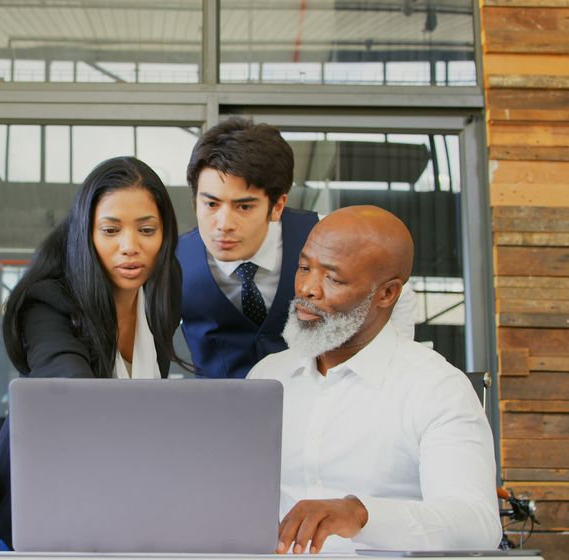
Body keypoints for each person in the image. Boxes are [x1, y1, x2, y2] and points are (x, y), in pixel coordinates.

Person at [248, 205, 501, 554]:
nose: (307, 288)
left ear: (387, 293)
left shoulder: (437, 388)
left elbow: (477, 524)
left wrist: (362, 514)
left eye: (332, 279)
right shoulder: (267, 377)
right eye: (304, 267)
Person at [0, 156, 186, 548]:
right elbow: (72, 399)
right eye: (111, 230)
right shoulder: (46, 300)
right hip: (44, 493)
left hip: (125, 494)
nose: (130, 247)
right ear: (86, 233)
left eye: (147, 229)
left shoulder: (163, 285)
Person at [177, 117, 414, 379]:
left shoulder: (322, 236)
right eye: (211, 204)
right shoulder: (170, 260)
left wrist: (389, 371)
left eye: (244, 207)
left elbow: (399, 294)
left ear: (277, 206)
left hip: (310, 401)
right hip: (217, 410)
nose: (223, 224)